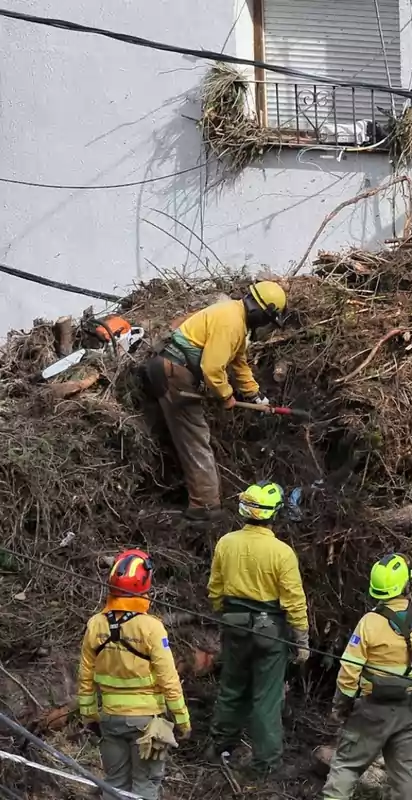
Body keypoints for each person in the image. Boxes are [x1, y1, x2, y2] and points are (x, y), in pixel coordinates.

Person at [142, 281, 287, 521]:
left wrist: (255, 395)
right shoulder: (231, 323)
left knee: (191, 436)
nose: (266, 328)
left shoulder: (236, 319)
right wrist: (227, 396)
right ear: (260, 312)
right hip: (174, 371)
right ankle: (206, 508)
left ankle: (202, 500)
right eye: (268, 322)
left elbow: (239, 363)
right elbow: (212, 368)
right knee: (196, 438)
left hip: (173, 368)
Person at [321, 554, 412, 799]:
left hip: (373, 709)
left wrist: (341, 705)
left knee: (347, 765)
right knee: (406, 775)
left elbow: (349, 669)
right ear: (406, 584)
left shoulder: (369, 623)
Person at [207, 482, 309, 778]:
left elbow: (215, 589)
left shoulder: (226, 543)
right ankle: (267, 764)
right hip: (270, 632)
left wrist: (224, 615)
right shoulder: (282, 552)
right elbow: (294, 600)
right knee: (266, 697)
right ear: (275, 513)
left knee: (232, 688)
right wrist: (301, 639)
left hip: (234, 626)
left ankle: (218, 746)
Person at [77, 549, 190, 800]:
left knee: (114, 786)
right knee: (146, 786)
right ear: (145, 585)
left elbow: (85, 675)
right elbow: (168, 679)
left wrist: (89, 715)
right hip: (147, 724)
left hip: (110, 720)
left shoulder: (95, 624)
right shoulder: (151, 627)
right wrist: (182, 720)